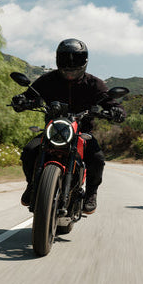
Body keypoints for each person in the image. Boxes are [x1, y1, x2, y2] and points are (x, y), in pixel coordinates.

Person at [12, 38, 126, 214]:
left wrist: (116, 111)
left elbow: (110, 102)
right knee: (29, 151)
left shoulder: (94, 84)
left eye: (76, 59)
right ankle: (32, 185)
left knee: (97, 159)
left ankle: (91, 193)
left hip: (82, 132)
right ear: (58, 59)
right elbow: (30, 95)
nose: (71, 65)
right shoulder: (47, 80)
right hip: (53, 131)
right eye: (66, 59)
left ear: (84, 61)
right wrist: (21, 100)